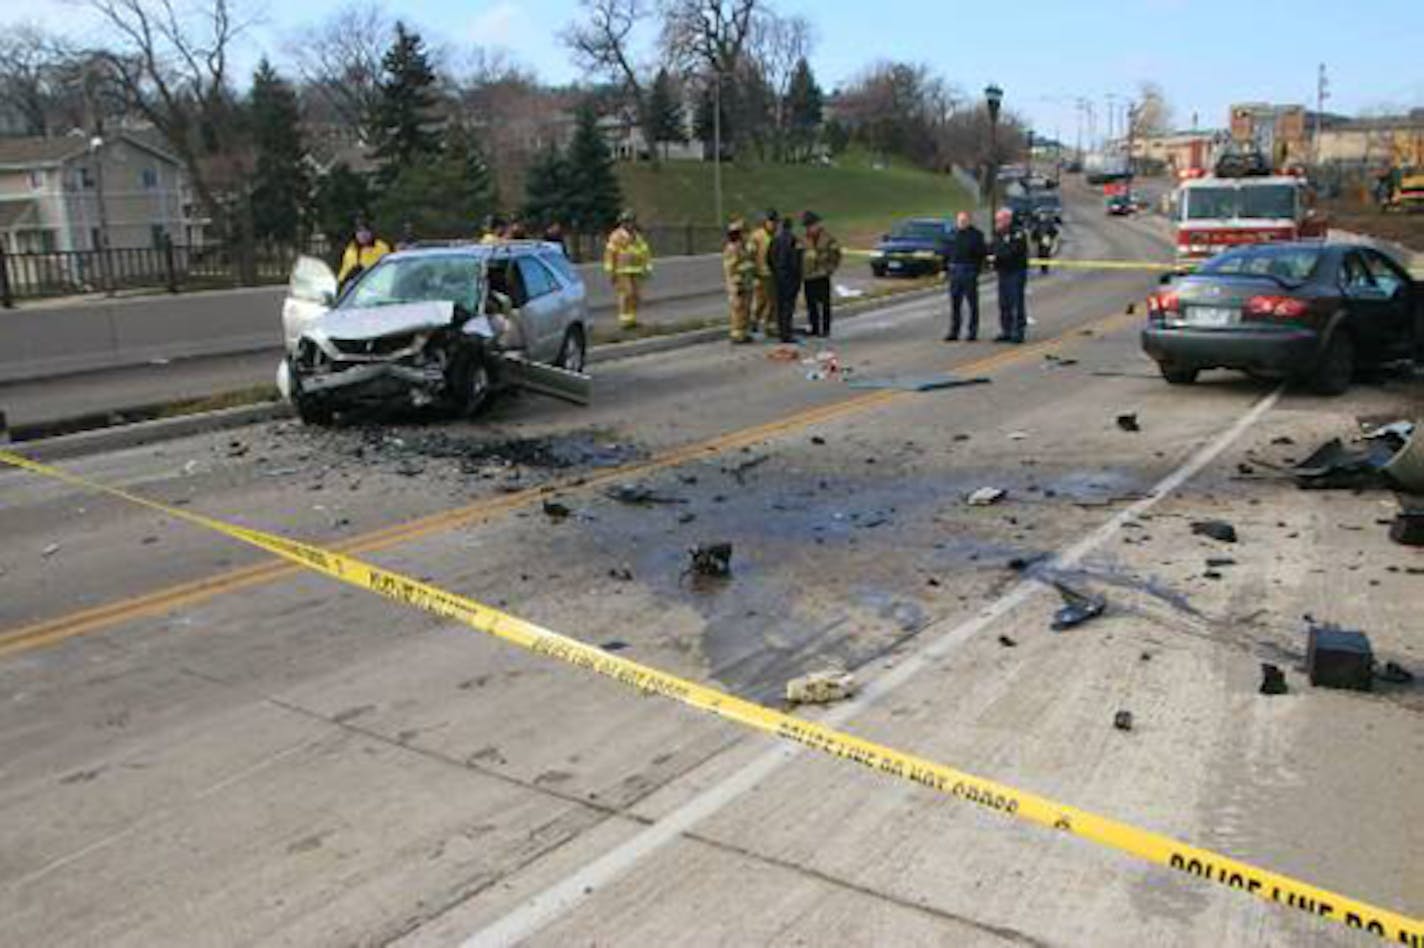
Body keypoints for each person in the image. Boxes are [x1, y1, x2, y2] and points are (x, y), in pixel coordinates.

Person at [603, 210, 652, 330]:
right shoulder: (616, 236)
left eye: (631, 222)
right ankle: (624, 321)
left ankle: (632, 320)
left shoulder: (637, 237)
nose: (629, 224)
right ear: (622, 223)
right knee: (627, 294)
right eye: (627, 222)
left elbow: (645, 253)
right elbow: (610, 254)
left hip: (636, 270)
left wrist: (647, 267)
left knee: (636, 296)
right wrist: (611, 271)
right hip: (622, 270)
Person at [944, 210, 987, 341]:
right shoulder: (953, 234)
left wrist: (976, 270)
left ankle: (972, 331)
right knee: (955, 304)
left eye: (964, 220)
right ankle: (954, 331)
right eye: (959, 221)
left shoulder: (976, 235)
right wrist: (945, 269)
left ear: (969, 221)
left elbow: (981, 254)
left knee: (972, 303)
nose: (961, 223)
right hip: (955, 271)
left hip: (969, 270)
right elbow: (947, 253)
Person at [990, 207, 1030, 343]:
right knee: (1004, 302)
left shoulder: (1017, 233)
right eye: (997, 220)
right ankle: (1006, 330)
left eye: (1000, 220)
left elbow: (1014, 251)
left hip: (1016, 271)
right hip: (1003, 272)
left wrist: (998, 256)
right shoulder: (998, 234)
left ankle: (1018, 331)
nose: (998, 222)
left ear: (1008, 219)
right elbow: (994, 248)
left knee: (1016, 302)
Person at [801, 211, 841, 338]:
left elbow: (836, 255)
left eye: (812, 225)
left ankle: (825, 329)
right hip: (808, 275)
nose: (810, 228)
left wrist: (830, 269)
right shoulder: (803, 239)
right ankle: (814, 328)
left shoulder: (827, 239)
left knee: (824, 304)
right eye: (807, 226)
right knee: (811, 304)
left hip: (822, 275)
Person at [723, 218, 757, 344]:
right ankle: (737, 334)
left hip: (746, 283)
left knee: (745, 310)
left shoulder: (743, 247)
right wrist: (736, 283)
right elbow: (731, 268)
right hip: (738, 284)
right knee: (738, 310)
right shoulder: (732, 248)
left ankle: (744, 333)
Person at [768, 217, 802, 344]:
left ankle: (781, 331)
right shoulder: (793, 240)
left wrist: (775, 271)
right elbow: (796, 260)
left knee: (780, 306)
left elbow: (769, 258)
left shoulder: (775, 240)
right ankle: (787, 333)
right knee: (788, 307)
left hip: (778, 277)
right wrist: (797, 276)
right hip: (790, 277)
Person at [336, 218, 391, 292]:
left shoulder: (381, 248)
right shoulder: (350, 250)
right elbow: (344, 273)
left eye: (366, 231)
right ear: (355, 234)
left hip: (378, 289)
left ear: (371, 233)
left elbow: (388, 272)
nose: (363, 234)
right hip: (355, 292)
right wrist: (340, 287)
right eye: (359, 231)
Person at [749, 209, 779, 335]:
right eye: (770, 221)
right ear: (765, 222)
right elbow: (751, 254)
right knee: (760, 301)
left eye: (775, 221)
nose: (773, 224)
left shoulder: (778, 235)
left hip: (774, 274)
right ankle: (754, 322)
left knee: (773, 301)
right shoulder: (757, 236)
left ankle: (770, 326)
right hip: (760, 274)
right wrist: (753, 272)